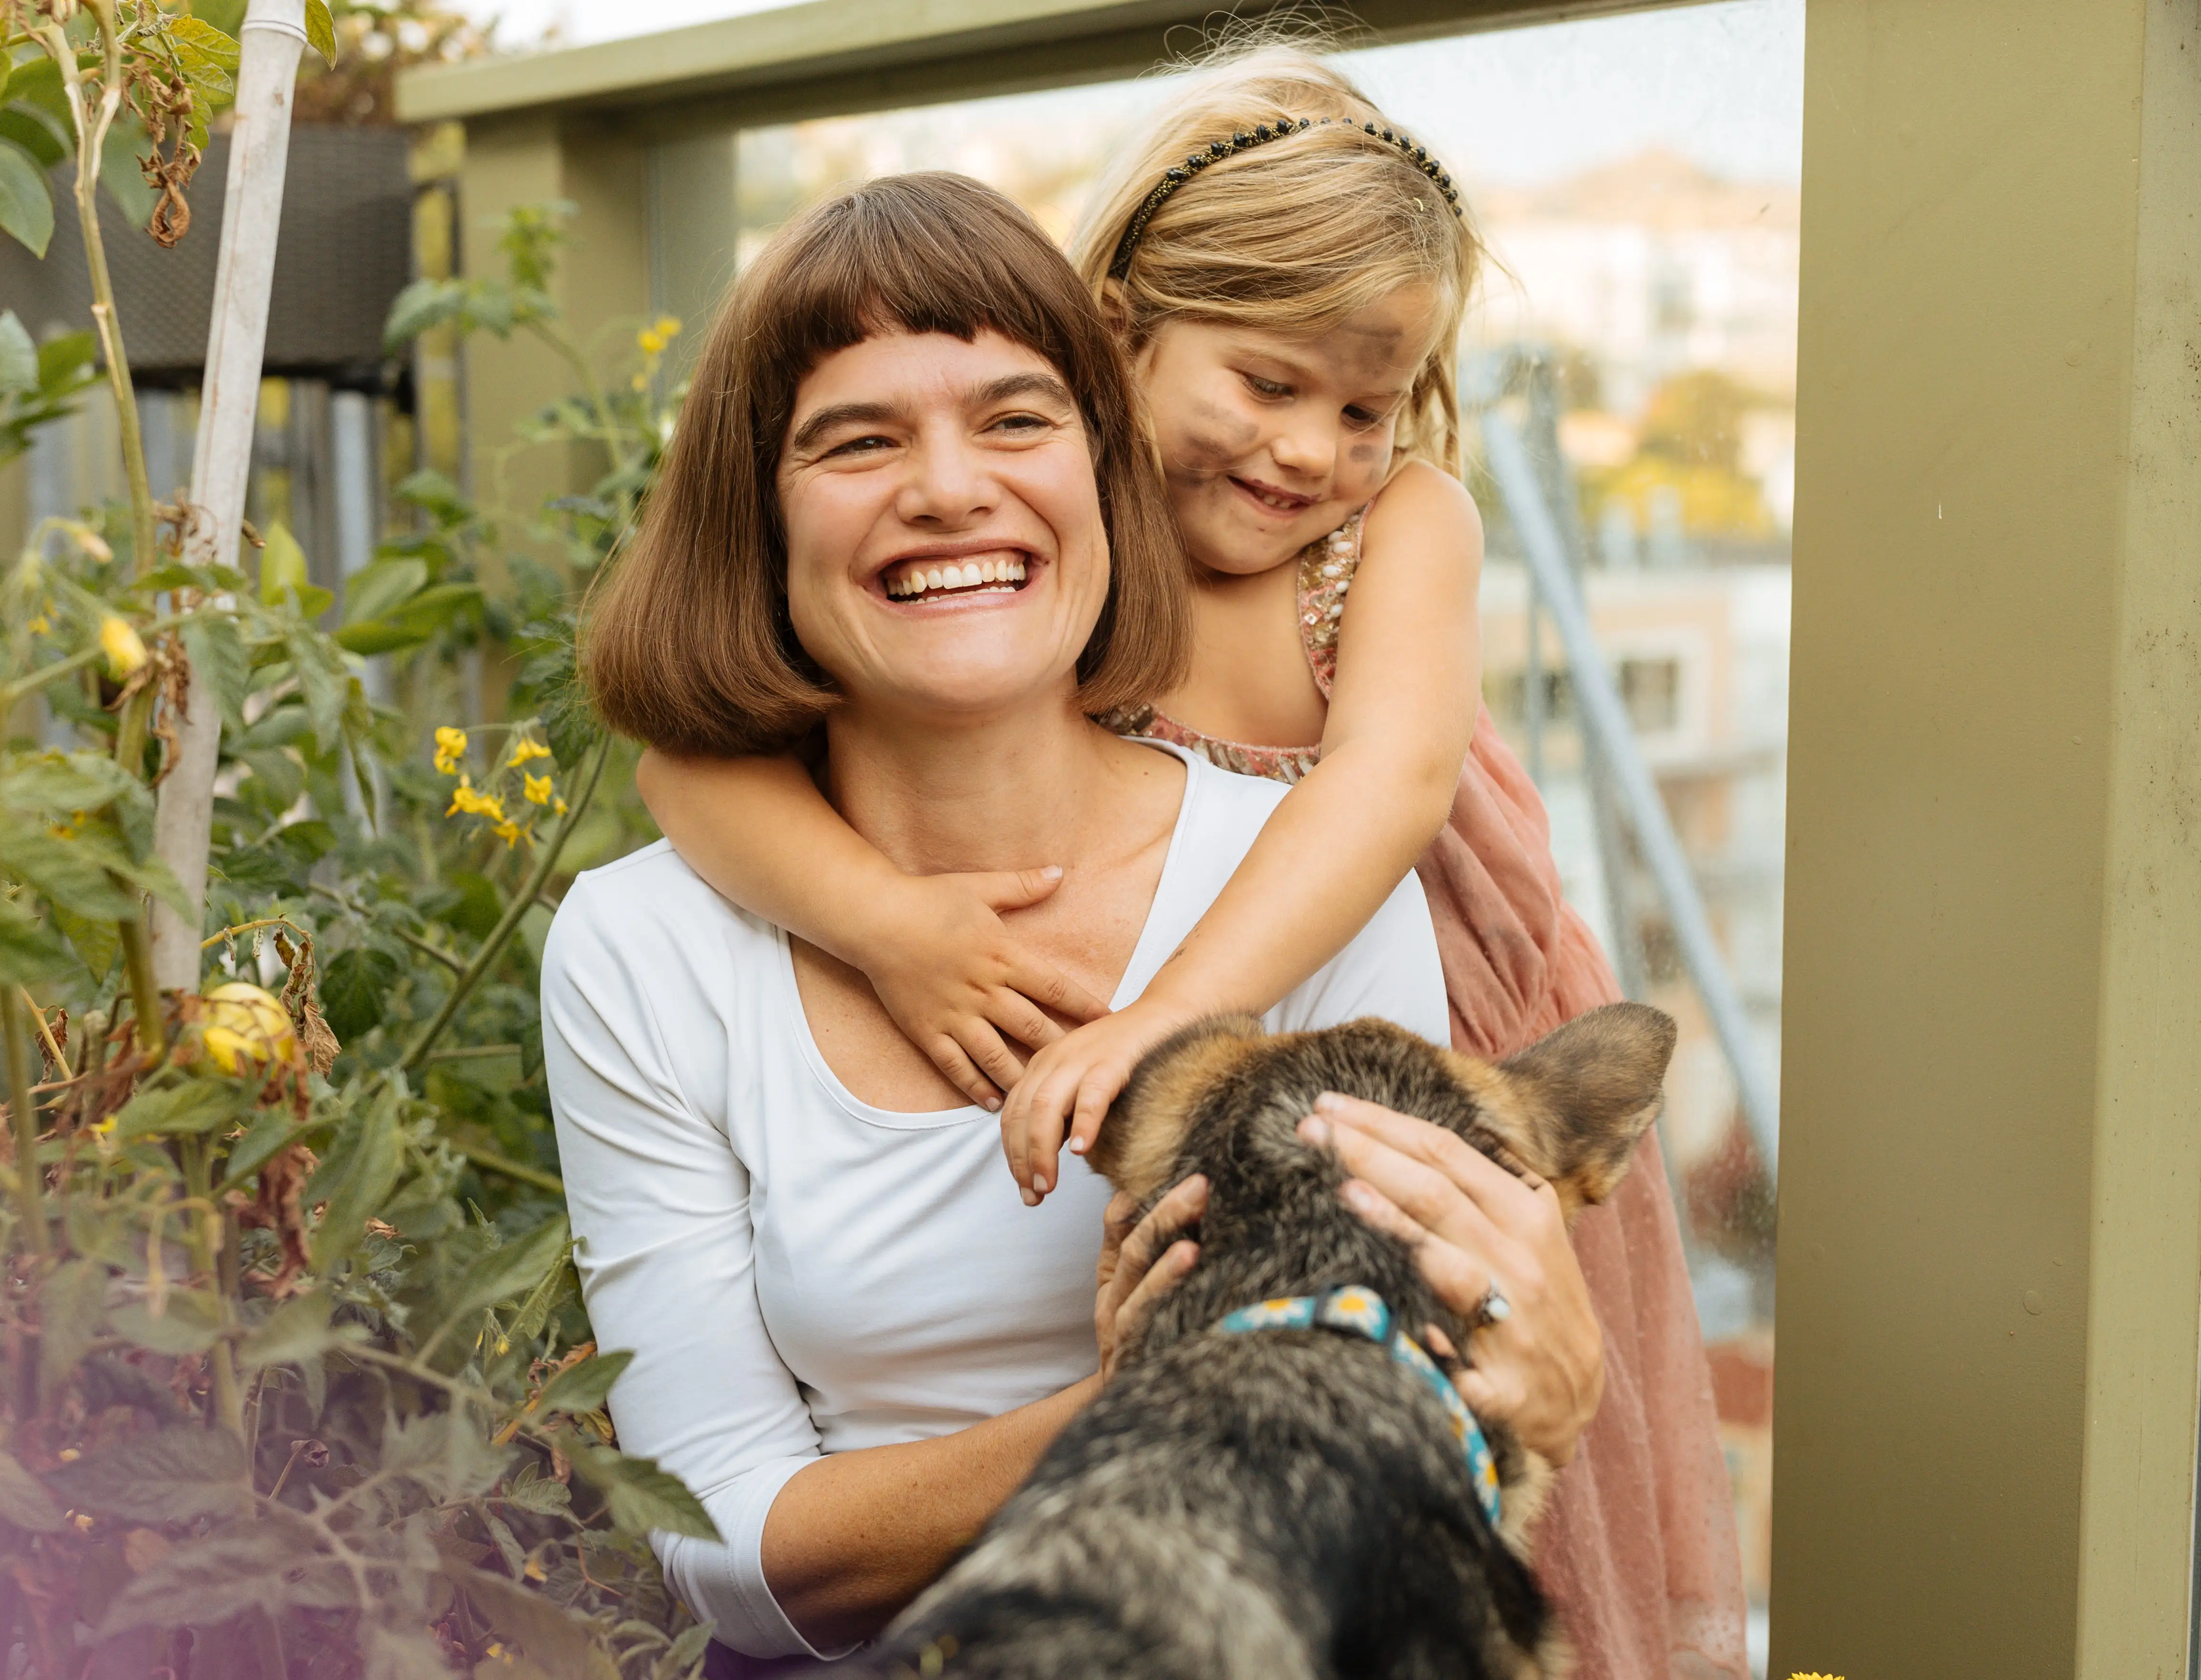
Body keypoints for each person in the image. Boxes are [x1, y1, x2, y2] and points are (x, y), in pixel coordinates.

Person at [634, 47, 1747, 1680]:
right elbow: (689, 766)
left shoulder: (1396, 529)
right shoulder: (1049, 540)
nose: (1310, 451)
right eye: (1265, 384)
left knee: (1452, 1447)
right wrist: (889, 928)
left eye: (1364, 406)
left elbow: (1382, 785)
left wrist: (1163, 1020)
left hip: (1411, 981)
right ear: (1121, 332)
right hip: (1206, 1029)